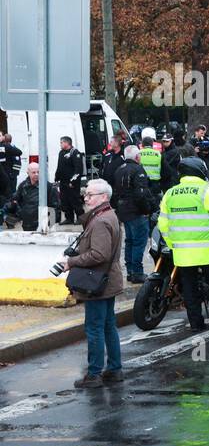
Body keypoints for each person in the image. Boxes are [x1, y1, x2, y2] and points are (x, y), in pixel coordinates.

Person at [158, 156, 209, 333]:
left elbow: (163, 225)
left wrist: (173, 244)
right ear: (201, 171)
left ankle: (196, 324)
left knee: (189, 288)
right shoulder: (206, 191)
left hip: (182, 253)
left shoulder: (170, 193)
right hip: (207, 251)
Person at [60, 179, 124, 387]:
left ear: (104, 197)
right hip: (107, 279)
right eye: (85, 194)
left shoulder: (100, 221)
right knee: (108, 326)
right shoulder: (108, 216)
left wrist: (72, 261)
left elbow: (99, 254)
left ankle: (94, 374)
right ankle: (114, 369)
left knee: (95, 327)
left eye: (90, 194)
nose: (86, 198)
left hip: (97, 282)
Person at [112, 145, 155, 283]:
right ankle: (137, 271)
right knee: (138, 242)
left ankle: (130, 271)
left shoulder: (119, 169)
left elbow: (116, 192)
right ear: (137, 157)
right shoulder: (138, 169)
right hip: (136, 211)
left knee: (130, 241)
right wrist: (146, 210)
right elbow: (140, 194)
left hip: (123, 210)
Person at [54, 136, 86, 226]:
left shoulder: (75, 153)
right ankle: (69, 218)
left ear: (67, 143)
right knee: (64, 200)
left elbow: (78, 170)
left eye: (61, 142)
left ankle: (80, 217)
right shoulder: (61, 153)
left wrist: (72, 181)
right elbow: (59, 167)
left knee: (75, 200)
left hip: (72, 183)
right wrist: (56, 177)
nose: (60, 144)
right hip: (63, 182)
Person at [5, 163, 45, 230]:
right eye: (34, 172)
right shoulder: (23, 186)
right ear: (28, 173)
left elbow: (55, 207)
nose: (36, 174)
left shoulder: (47, 187)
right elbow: (15, 200)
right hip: (27, 224)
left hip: (42, 225)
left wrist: (50, 226)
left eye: (38, 172)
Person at [139, 126, 164, 199]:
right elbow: (165, 170)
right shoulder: (158, 154)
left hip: (142, 183)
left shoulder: (138, 153)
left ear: (142, 144)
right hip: (155, 184)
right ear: (152, 144)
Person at [0, 133, 21, 207]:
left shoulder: (9, 148)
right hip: (5, 176)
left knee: (11, 194)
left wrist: (13, 175)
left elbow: (17, 163)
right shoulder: (5, 148)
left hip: (10, 176)